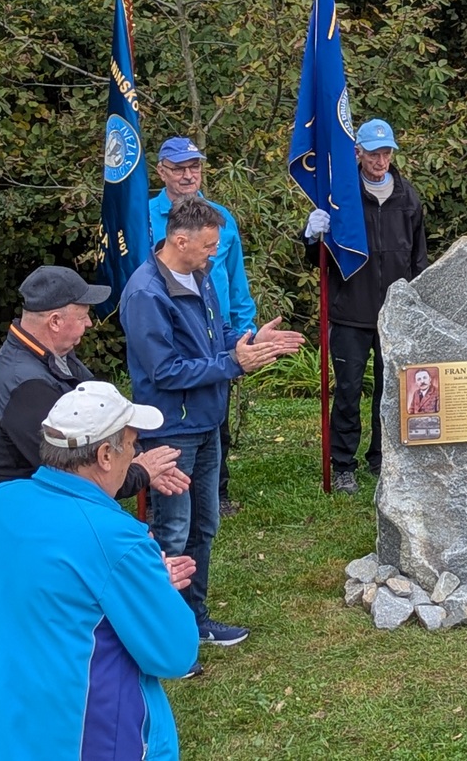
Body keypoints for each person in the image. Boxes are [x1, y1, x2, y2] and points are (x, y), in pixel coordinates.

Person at [0, 382, 198, 760]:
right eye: (132, 444)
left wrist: (138, 580)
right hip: (87, 738)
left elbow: (50, 587)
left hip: (3, 733)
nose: (135, 454)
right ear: (105, 455)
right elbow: (175, 653)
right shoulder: (116, 538)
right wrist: (152, 583)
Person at [122, 196, 305, 660]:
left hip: (207, 422)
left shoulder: (200, 276)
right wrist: (233, 363)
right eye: (208, 245)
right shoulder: (146, 294)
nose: (214, 253)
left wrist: (249, 342)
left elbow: (215, 337)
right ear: (179, 240)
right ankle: (161, 631)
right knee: (172, 530)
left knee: (204, 525)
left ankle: (194, 619)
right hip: (172, 430)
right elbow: (164, 371)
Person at [0, 264, 189, 505]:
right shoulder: (26, 385)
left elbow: (103, 410)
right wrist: (140, 472)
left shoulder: (54, 353)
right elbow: (71, 470)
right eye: (82, 316)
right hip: (26, 510)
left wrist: (132, 456)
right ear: (55, 321)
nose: (89, 323)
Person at [302, 118, 430, 495]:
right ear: (358, 152)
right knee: (348, 390)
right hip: (350, 311)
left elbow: (418, 259)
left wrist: (416, 306)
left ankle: (382, 456)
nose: (380, 161)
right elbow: (318, 260)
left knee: (391, 391)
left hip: (394, 314)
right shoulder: (341, 197)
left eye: (386, 153)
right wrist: (312, 235)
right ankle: (343, 464)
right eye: (373, 153)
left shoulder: (408, 198)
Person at [150, 135, 257, 517]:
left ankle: (215, 492)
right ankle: (164, 495)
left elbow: (236, 280)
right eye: (178, 168)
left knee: (215, 416)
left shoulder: (220, 218)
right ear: (161, 171)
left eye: (193, 166)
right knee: (170, 416)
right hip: (170, 330)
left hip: (217, 330)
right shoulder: (143, 216)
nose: (187, 175)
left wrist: (247, 332)